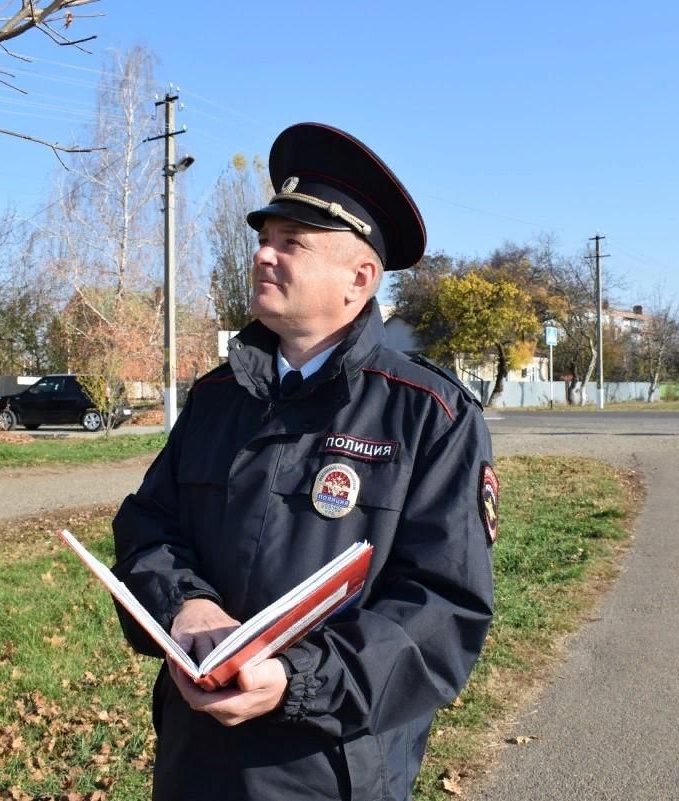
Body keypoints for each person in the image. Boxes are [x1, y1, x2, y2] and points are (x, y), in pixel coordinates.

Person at [111, 122, 497, 801]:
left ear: (359, 278)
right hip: (195, 763)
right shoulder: (215, 398)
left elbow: (441, 610)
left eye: (291, 243)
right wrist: (187, 607)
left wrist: (297, 678)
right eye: (264, 239)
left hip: (328, 769)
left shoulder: (428, 415)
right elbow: (148, 526)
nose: (264, 255)